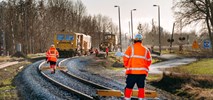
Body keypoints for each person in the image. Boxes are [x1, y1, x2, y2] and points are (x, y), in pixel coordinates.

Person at [122, 34, 152, 100]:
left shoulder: (131, 48)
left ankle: (127, 98)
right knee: (141, 87)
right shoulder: (146, 50)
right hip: (142, 74)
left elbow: (125, 58)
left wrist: (126, 66)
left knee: (129, 87)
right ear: (141, 41)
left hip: (132, 73)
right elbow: (149, 61)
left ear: (134, 40)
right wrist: (144, 67)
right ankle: (141, 99)